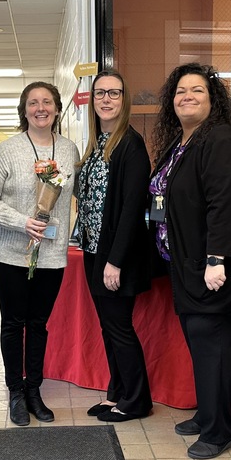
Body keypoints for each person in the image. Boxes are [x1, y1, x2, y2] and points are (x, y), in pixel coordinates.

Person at [149, 63, 231, 459]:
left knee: (215, 346)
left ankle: (219, 430)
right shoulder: (182, 143)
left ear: (213, 99)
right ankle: (208, 413)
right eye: (180, 91)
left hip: (215, 268)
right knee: (202, 345)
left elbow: (226, 206)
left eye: (197, 90)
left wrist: (216, 259)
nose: (187, 97)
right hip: (186, 265)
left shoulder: (222, 140)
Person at [0, 82, 79, 425]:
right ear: (24, 110)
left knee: (38, 323)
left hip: (51, 254)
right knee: (13, 322)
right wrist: (23, 222)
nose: (40, 108)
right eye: (33, 103)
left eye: (47, 102)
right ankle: (15, 393)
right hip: (9, 253)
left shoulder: (69, 151)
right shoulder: (6, 151)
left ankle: (34, 390)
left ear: (56, 108)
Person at [74, 70, 153, 423]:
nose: (106, 99)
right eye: (100, 93)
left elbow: (131, 209)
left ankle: (137, 401)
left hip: (115, 257)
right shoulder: (98, 143)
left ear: (124, 100)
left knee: (119, 327)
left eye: (114, 93)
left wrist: (115, 261)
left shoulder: (130, 146)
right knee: (108, 327)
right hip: (94, 251)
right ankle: (117, 393)